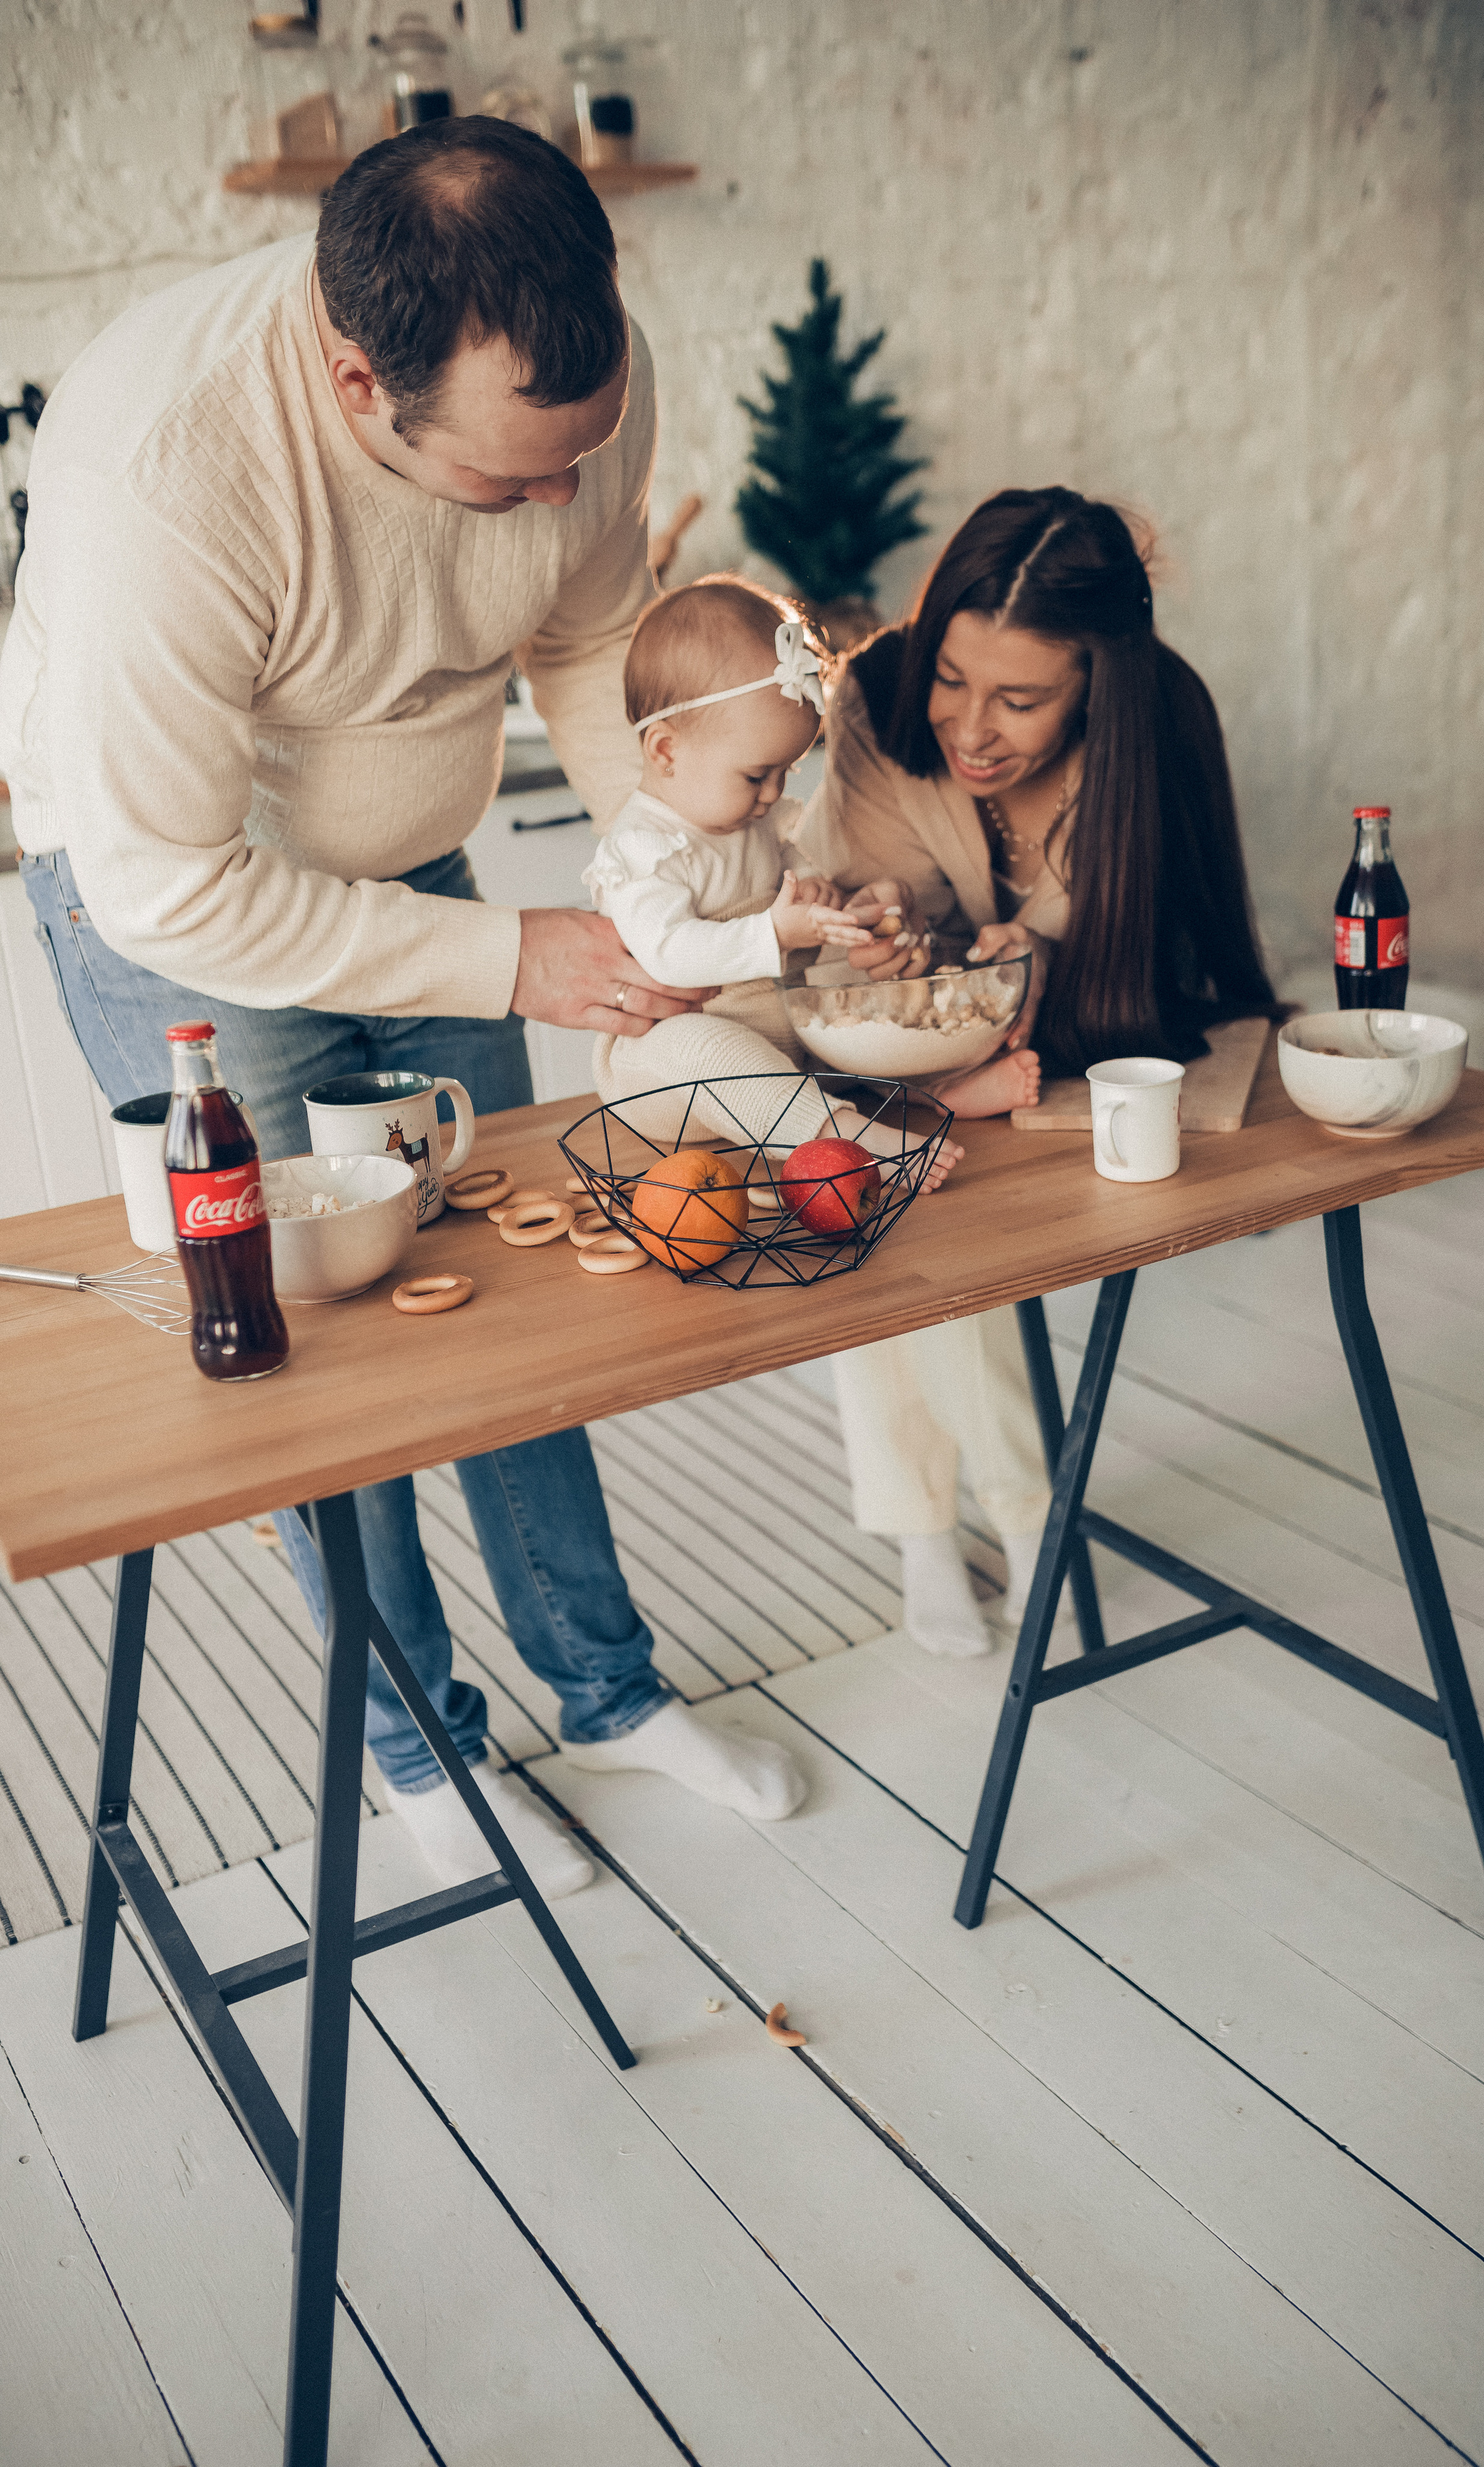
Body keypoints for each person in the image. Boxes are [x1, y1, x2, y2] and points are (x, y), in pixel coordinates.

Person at [0, 119, 807, 1895]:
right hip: (178, 910)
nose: (551, 502)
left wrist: (646, 878)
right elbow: (167, 880)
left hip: (421, 877)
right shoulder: (167, 469)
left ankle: (606, 1697)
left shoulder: (575, 380)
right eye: (504, 480)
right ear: (361, 383)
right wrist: (512, 960)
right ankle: (415, 1756)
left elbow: (590, 639)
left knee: (505, 1288)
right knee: (319, 1352)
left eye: (572, 462)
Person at [814, 487, 1276, 1657]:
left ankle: (1012, 1519)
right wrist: (892, 938)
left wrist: (1054, 962)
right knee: (875, 1204)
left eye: (1021, 700)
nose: (970, 729)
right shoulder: (874, 699)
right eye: (954, 678)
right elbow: (880, 967)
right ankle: (945, 1530)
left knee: (921, 1226)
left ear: (1096, 687)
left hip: (1094, 1055)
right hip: (925, 1058)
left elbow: (1161, 965)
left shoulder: (1158, 725)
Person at [587, 572, 964, 1172]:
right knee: (699, 1047)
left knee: (859, 977)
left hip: (777, 1037)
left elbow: (799, 881)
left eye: (788, 771)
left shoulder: (753, 823)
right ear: (665, 752)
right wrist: (776, 934)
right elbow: (669, 956)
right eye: (757, 775)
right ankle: (837, 1135)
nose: (775, 794)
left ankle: (944, 1080)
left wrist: (827, 903)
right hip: (669, 1070)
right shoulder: (643, 850)